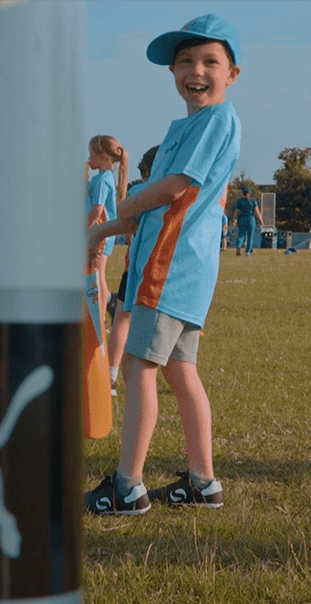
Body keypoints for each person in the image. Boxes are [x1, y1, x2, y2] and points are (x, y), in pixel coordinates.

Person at [83, 14, 242, 515]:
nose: (196, 70)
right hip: (180, 267)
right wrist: (101, 232)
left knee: (137, 366)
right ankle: (203, 482)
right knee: (180, 369)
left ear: (232, 73)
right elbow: (155, 212)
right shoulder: (192, 124)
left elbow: (174, 188)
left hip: (168, 267)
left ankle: (128, 486)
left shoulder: (216, 119)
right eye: (185, 62)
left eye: (209, 61)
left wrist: (125, 205)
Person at [108, 145, 157, 397]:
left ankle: (112, 378)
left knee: (121, 320)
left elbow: (123, 216)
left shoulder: (139, 191)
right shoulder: (173, 191)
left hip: (134, 268)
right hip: (162, 272)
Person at [86, 135, 130, 318]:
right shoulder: (100, 178)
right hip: (98, 233)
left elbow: (98, 210)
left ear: (103, 156)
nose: (89, 158)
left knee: (98, 274)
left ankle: (102, 315)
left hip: (101, 235)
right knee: (93, 272)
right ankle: (99, 311)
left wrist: (83, 229)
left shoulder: (104, 179)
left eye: (91, 154)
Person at [233, 186, 263, 256]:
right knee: (250, 236)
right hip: (250, 218)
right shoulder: (253, 201)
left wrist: (234, 220)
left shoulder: (239, 201)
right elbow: (257, 212)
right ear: (249, 193)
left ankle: (239, 246)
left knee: (241, 235)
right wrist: (261, 220)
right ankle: (248, 252)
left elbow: (236, 212)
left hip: (242, 219)